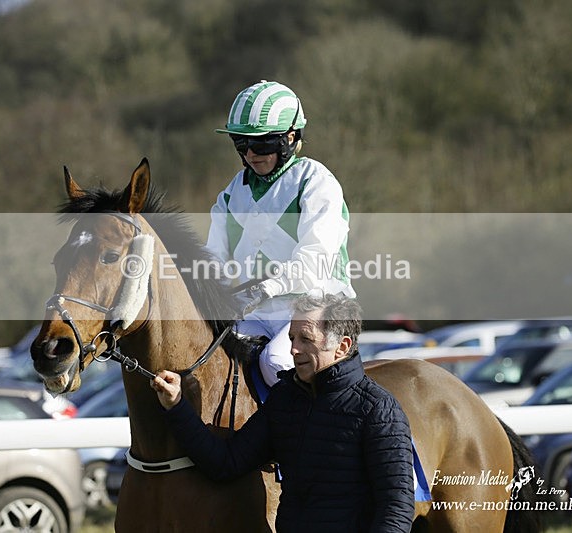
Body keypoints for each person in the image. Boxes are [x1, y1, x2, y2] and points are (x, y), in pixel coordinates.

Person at [151, 294, 415, 532]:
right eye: (291, 338)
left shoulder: (379, 409)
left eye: (305, 339)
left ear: (342, 346)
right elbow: (225, 462)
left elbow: (396, 510)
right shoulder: (284, 399)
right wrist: (177, 406)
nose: (293, 349)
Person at [206, 80, 356, 389]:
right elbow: (212, 260)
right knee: (208, 353)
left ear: (290, 138)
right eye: (241, 143)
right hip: (257, 313)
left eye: (262, 144)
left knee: (277, 360)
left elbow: (314, 262)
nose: (250, 154)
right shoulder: (232, 193)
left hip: (318, 308)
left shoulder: (315, 181)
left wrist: (266, 288)